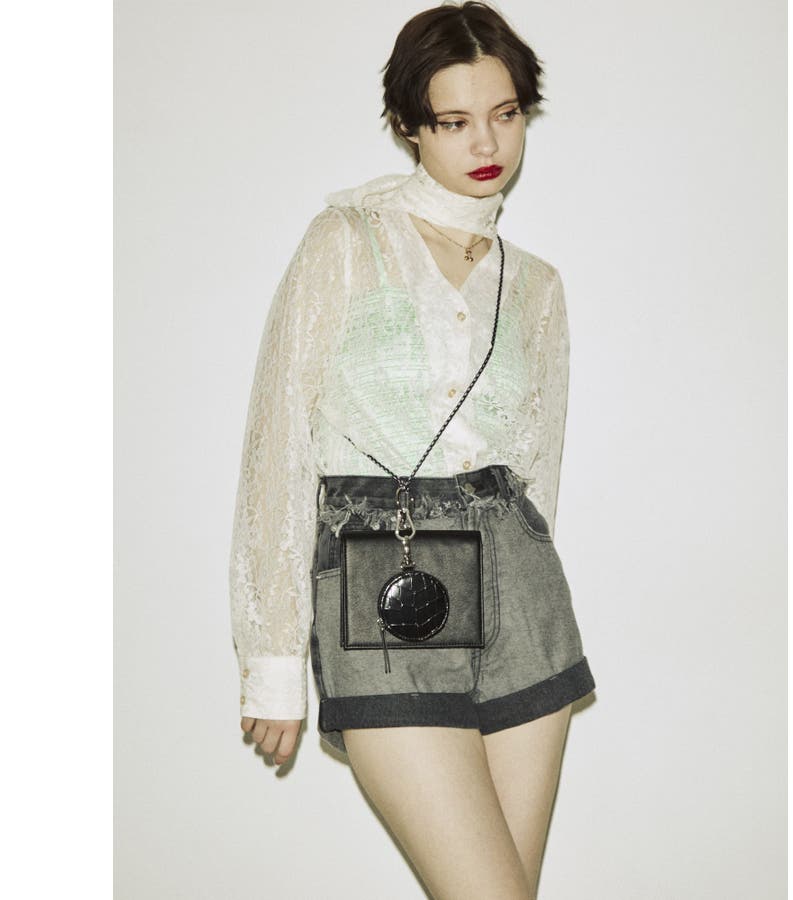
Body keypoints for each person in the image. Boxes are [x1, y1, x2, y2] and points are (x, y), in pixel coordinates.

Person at [229, 2, 596, 896]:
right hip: (381, 582)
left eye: (505, 114)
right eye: (455, 120)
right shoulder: (346, 243)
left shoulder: (537, 286)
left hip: (525, 601)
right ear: (408, 126)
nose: (487, 142)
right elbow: (278, 443)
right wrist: (273, 662)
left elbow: (537, 470)